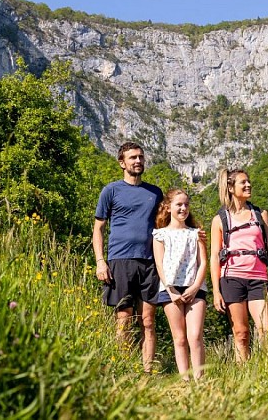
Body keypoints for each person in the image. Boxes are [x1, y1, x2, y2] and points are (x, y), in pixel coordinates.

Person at [93, 142, 164, 373]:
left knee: (148, 321)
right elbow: (98, 229)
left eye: (141, 157)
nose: (138, 161)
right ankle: (123, 369)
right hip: (120, 261)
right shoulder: (111, 191)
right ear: (122, 163)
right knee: (123, 318)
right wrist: (100, 261)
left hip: (150, 262)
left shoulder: (155, 193)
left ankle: (147, 372)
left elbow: (165, 226)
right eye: (133, 157)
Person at [209, 168, 268, 362]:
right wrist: (216, 291)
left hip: (259, 278)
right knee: (241, 334)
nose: (248, 185)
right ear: (231, 188)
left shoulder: (260, 215)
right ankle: (244, 372)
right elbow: (214, 256)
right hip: (231, 279)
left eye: (249, 182)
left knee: (267, 331)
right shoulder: (220, 220)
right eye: (243, 182)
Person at [152, 188, 208, 380]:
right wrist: (171, 290)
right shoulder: (160, 235)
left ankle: (200, 379)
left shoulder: (196, 233)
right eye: (179, 204)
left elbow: (203, 263)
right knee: (180, 338)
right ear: (168, 207)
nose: (183, 208)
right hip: (170, 289)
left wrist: (195, 287)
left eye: (186, 204)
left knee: (195, 335)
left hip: (195, 287)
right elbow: (159, 264)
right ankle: (185, 379)